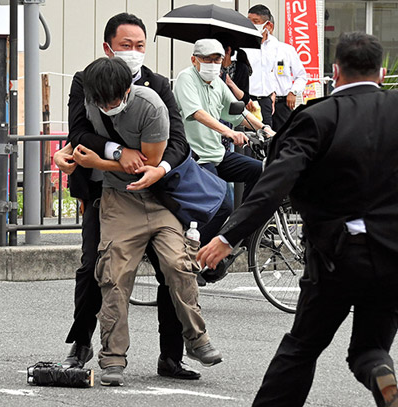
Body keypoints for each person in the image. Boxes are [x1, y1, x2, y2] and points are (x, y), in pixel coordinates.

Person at [197, 31, 398, 407]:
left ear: (335, 71)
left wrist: (228, 238)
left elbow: (273, 184)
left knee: (302, 347)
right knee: (370, 350)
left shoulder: (316, 117)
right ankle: (380, 374)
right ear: (382, 71)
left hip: (338, 256)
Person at [53, 13, 200, 380]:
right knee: (93, 269)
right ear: (108, 47)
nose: (133, 53)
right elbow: (79, 131)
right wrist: (118, 152)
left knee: (172, 270)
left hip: (156, 195)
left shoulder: (159, 86)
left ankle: (171, 356)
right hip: (104, 194)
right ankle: (82, 344)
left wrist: (158, 167)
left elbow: (179, 141)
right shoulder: (85, 80)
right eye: (125, 46)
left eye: (139, 46)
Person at [72, 57, 221, 386]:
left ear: (127, 90)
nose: (109, 106)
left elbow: (149, 163)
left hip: (156, 197)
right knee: (113, 274)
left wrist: (100, 160)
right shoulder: (91, 99)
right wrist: (78, 155)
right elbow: (79, 136)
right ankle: (112, 358)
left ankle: (196, 340)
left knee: (178, 264)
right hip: (117, 201)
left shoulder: (151, 105)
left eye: (115, 99)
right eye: (102, 101)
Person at [172, 38, 274, 248]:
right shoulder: (186, 79)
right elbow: (197, 113)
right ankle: (193, 253)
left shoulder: (218, 83)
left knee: (260, 171)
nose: (213, 65)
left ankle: (243, 227)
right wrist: (228, 131)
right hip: (196, 157)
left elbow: (239, 113)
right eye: (207, 60)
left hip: (217, 153)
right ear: (194, 60)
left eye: (217, 60)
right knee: (222, 205)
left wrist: (264, 129)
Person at [266, 17, 307, 132]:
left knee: (283, 141)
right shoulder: (253, 51)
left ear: (270, 26)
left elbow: (301, 76)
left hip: (282, 104)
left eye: (256, 21)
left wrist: (293, 92)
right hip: (260, 103)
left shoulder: (286, 50)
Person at [244, 4, 279, 128]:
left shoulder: (274, 44)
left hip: (265, 100)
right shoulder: (242, 43)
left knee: (267, 136)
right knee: (247, 138)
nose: (251, 24)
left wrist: (273, 94)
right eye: (249, 21)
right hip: (247, 100)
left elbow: (273, 70)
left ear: (267, 25)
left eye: (256, 21)